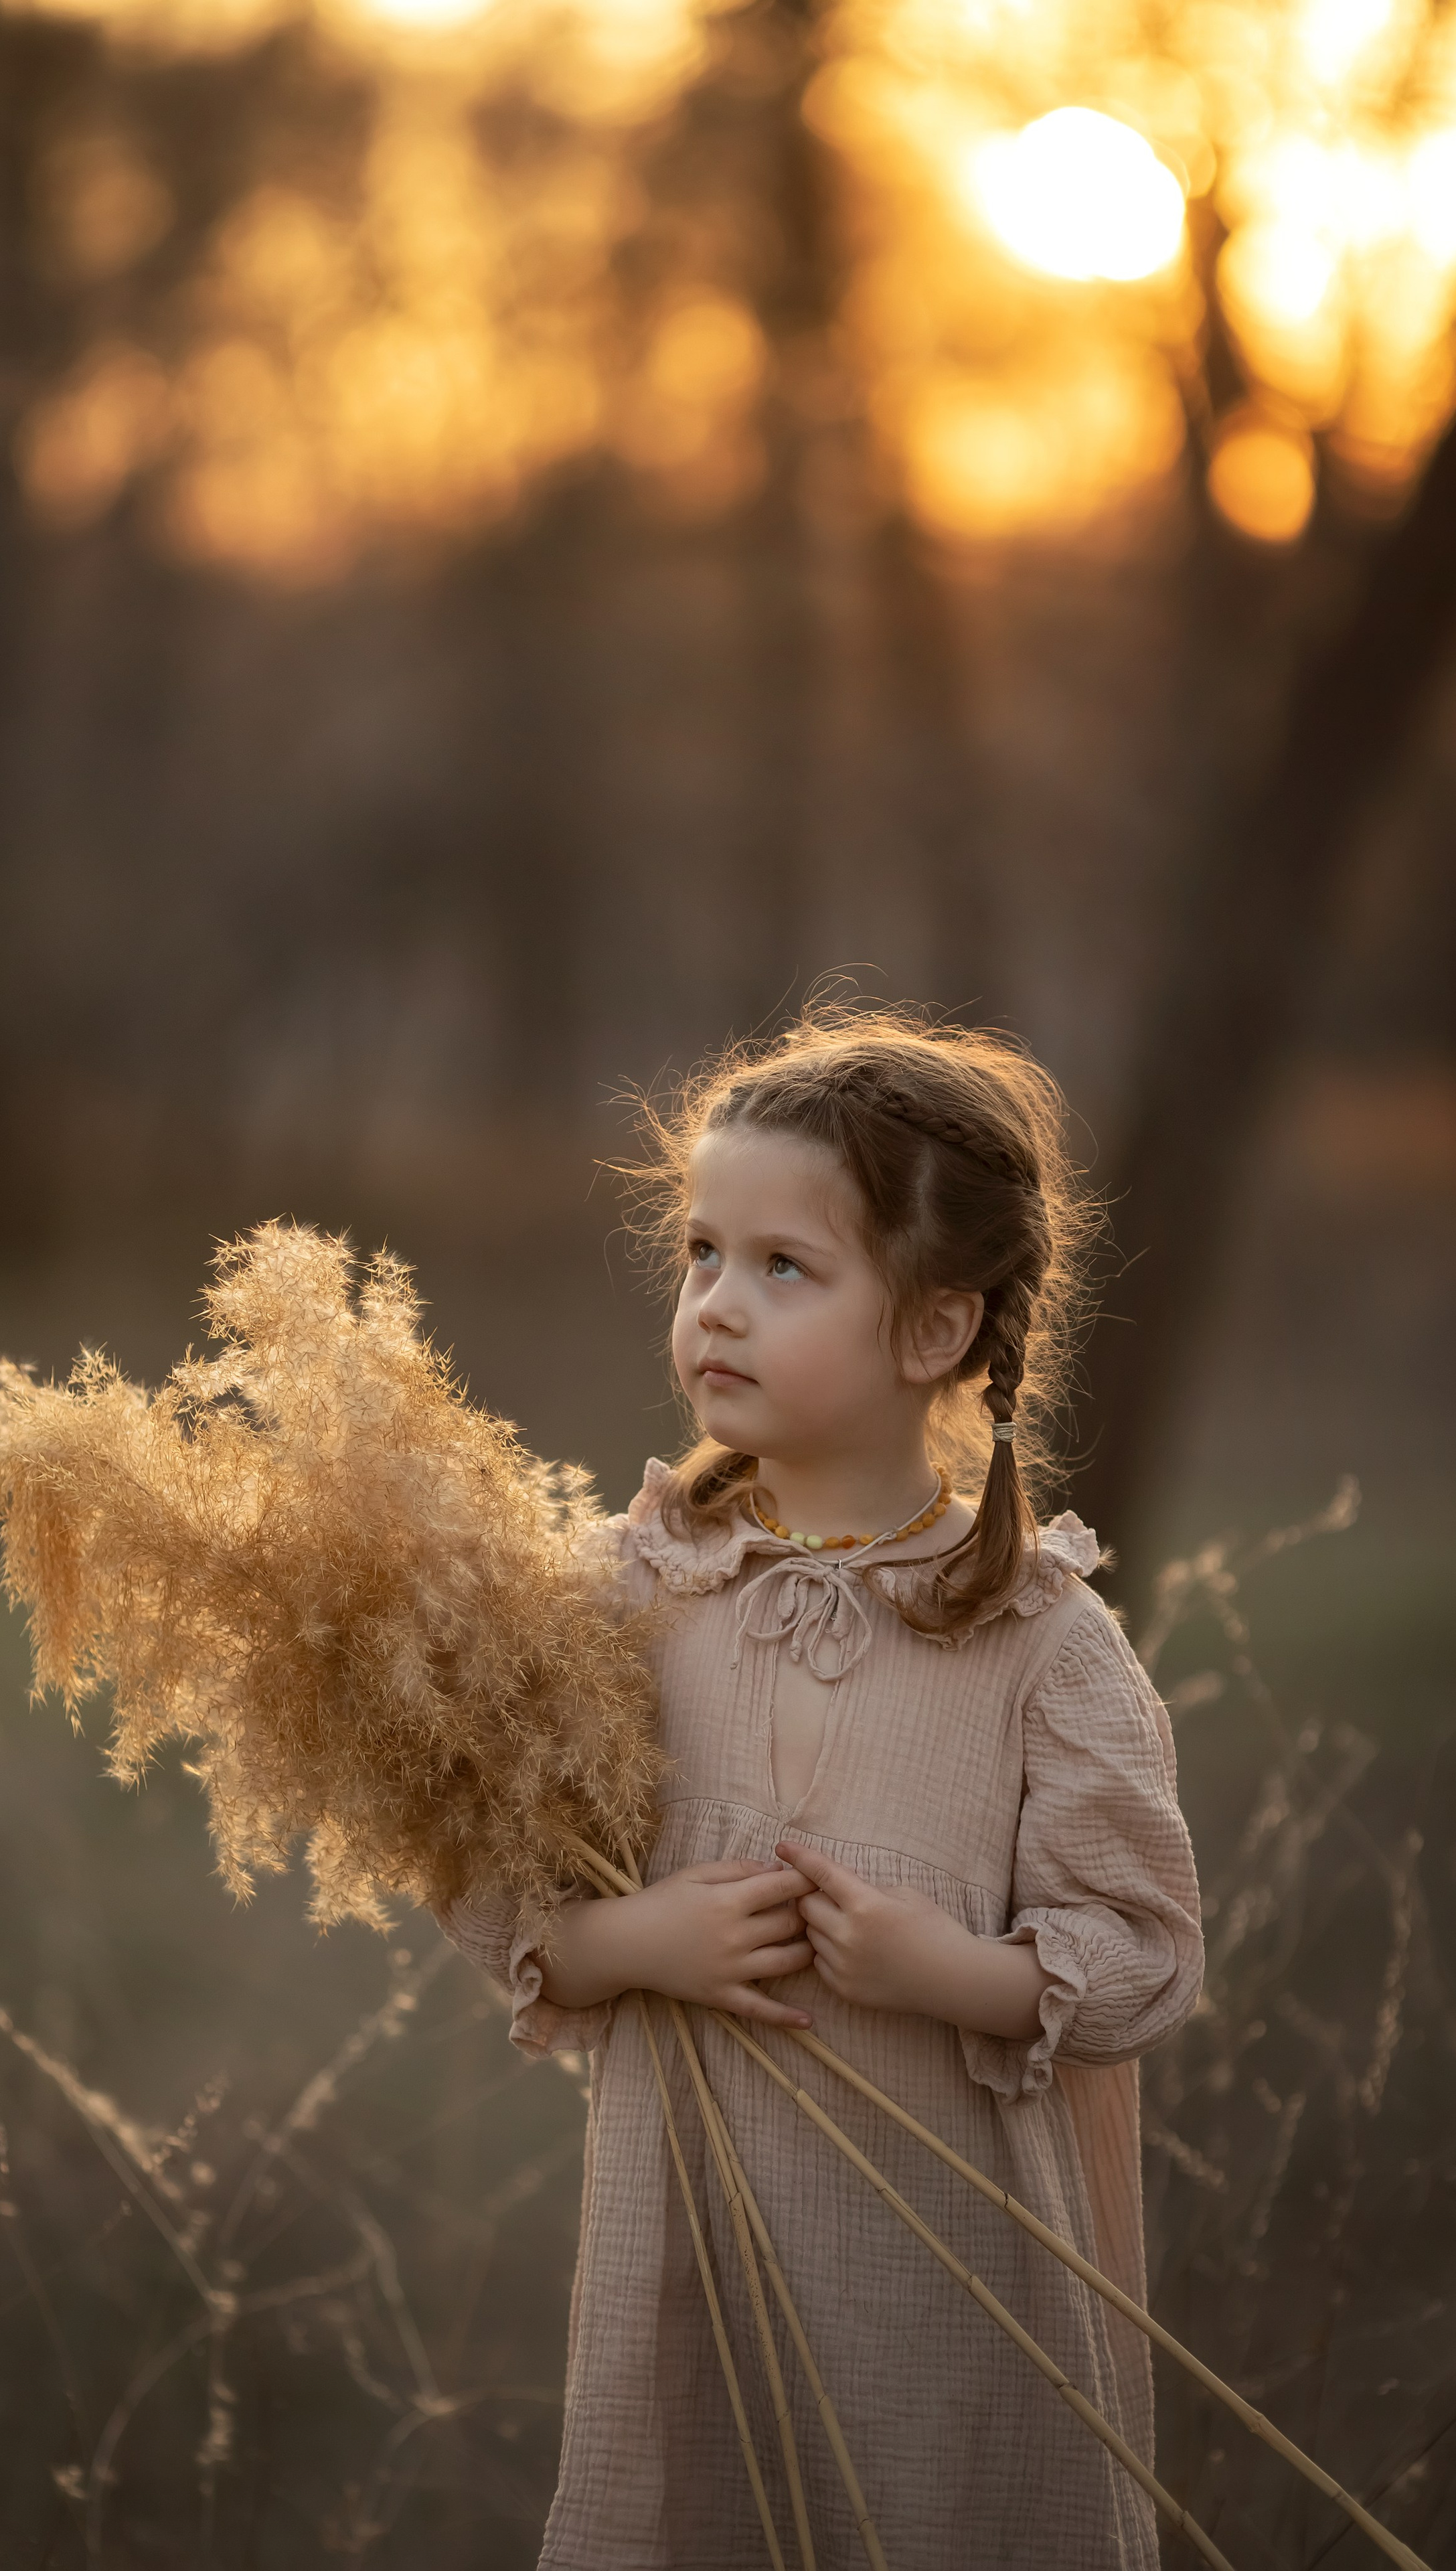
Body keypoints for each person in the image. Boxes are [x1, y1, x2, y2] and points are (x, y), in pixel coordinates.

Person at [442, 1008, 1204, 2571]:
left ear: (933, 1330)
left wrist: (956, 1973)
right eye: (701, 1254)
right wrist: (627, 1945)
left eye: (784, 1268)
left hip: (946, 2310)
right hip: (694, 2291)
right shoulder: (626, 1598)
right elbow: (484, 1881)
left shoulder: (1034, 1649)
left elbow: (1147, 1955)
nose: (716, 1305)